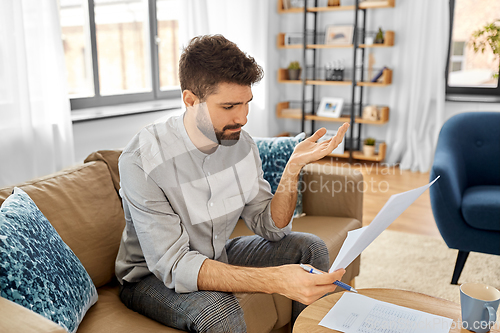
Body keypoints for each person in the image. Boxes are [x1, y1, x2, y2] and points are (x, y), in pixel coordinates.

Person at [115, 34, 350, 333]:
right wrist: (277, 279)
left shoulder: (242, 146)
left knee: (310, 250)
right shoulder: (142, 161)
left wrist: (293, 168)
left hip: (215, 252)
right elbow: (174, 265)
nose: (243, 117)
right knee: (219, 312)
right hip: (149, 276)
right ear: (190, 100)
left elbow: (272, 228)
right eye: (229, 106)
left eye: (246, 103)